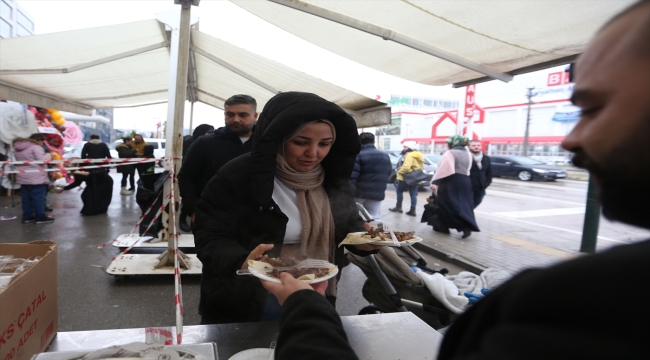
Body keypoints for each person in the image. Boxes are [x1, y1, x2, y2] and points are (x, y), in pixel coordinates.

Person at [256, 2, 650, 359]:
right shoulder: (588, 296)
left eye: (595, 107)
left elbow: (347, 220)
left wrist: (309, 305)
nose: (572, 139)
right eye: (302, 142)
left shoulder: (592, 302)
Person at [193, 92, 380, 324]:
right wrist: (241, 260)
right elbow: (210, 236)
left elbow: (347, 223)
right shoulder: (237, 176)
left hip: (314, 286)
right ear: (278, 138)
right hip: (246, 294)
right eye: (300, 142)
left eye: (325, 144)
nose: (313, 154)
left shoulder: (331, 179)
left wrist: (365, 240)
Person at [178, 94, 258, 228]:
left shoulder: (268, 144)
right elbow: (186, 177)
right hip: (212, 219)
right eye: (230, 114)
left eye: (243, 115)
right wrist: (193, 210)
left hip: (256, 220)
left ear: (255, 116)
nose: (236, 119)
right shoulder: (204, 144)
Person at [429, 135, 479, 239]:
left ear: (454, 143)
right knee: (464, 205)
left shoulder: (450, 153)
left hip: (450, 181)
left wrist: (436, 181)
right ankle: (464, 225)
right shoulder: (468, 153)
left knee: (446, 205)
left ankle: (462, 226)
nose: (447, 144)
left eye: (449, 142)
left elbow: (445, 168)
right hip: (465, 181)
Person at [348, 132, 392, 221]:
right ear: (374, 141)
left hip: (360, 193)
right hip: (377, 192)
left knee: (353, 215)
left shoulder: (358, 155)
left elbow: (353, 177)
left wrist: (348, 192)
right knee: (374, 217)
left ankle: (356, 233)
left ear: (360, 142)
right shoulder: (385, 155)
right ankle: (375, 234)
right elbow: (388, 172)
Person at [179, 124, 214, 232]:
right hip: (194, 176)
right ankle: (183, 219)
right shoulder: (192, 143)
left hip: (205, 178)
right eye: (208, 132)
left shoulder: (210, 143)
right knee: (189, 201)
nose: (210, 135)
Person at [13, 133, 55, 224]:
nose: (43, 144)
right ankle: (40, 217)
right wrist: (49, 155)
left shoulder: (17, 149)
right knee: (38, 198)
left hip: (23, 177)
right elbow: (42, 160)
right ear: (39, 141)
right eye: (42, 142)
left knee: (26, 198)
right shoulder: (36, 147)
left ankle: (27, 217)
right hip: (37, 177)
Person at [389, 141, 424, 216]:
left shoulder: (409, 155)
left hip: (405, 177)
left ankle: (399, 207)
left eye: (405, 147)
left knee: (399, 191)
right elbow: (420, 167)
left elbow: (406, 167)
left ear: (410, 148)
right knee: (413, 194)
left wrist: (399, 171)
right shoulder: (419, 155)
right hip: (415, 177)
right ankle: (412, 210)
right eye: (404, 147)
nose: (404, 148)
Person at [468, 140, 492, 208]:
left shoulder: (486, 158)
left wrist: (486, 184)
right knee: (466, 206)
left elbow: (489, 173)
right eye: (474, 145)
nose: (476, 147)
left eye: (478, 145)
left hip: (480, 188)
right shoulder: (466, 157)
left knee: (475, 203)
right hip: (468, 187)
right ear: (469, 147)